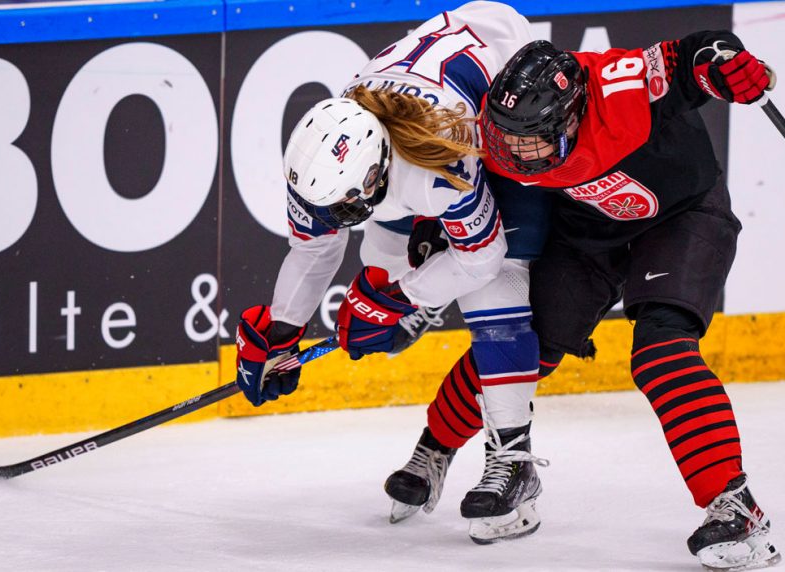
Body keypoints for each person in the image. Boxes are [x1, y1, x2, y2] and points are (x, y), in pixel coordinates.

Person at [233, 1, 552, 545]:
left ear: (379, 171)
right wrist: (283, 330)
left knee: (493, 294)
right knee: (378, 264)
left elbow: (484, 255)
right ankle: (420, 299)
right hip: (418, 116)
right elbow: (314, 249)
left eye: (346, 206)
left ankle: (514, 463)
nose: (332, 216)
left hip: (494, 107)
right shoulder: (323, 162)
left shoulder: (439, 163)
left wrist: (402, 298)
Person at [467, 33, 780, 570]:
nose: (513, 152)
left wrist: (730, 66)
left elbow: (694, 56)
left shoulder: (620, 88)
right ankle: (436, 454)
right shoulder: (507, 128)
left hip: (681, 214)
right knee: (518, 345)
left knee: (660, 350)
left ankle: (735, 505)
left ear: (571, 116)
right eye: (508, 137)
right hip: (590, 230)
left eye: (530, 140)